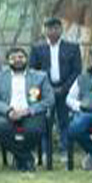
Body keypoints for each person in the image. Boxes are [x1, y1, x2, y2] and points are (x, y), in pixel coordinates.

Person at [0, 46, 53, 172]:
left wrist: (28, 111)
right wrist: (8, 111)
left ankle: (19, 158)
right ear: (8, 61)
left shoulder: (40, 76)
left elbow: (49, 99)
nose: (17, 60)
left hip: (31, 113)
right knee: (0, 128)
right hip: (6, 114)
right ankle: (26, 158)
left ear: (27, 59)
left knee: (34, 130)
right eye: (13, 58)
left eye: (21, 57)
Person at [30, 17, 83, 145]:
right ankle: (45, 150)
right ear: (45, 31)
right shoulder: (37, 48)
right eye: (49, 28)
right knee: (44, 120)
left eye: (56, 28)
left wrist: (64, 88)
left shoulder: (72, 48)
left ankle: (65, 149)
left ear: (61, 30)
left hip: (65, 90)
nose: (53, 31)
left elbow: (77, 71)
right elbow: (33, 71)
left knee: (64, 120)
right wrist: (46, 88)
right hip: (44, 91)